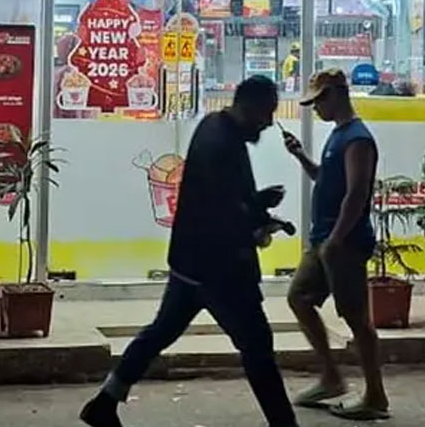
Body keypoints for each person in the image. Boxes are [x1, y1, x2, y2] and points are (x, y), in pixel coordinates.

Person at [81, 75, 298, 427]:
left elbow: (221, 198)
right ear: (249, 106)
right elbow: (222, 209)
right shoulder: (222, 142)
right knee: (258, 347)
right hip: (221, 271)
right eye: (267, 113)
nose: (269, 122)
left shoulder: (214, 128)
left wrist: (258, 205)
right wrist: (257, 215)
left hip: (189, 264)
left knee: (159, 333)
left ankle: (106, 401)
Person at [284, 69, 388, 421]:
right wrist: (300, 156)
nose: (315, 108)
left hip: (343, 243)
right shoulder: (339, 135)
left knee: (357, 318)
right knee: (299, 297)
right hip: (325, 240)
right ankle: (331, 378)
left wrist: (338, 239)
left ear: (336, 95)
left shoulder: (358, 139)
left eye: (318, 101)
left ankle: (375, 395)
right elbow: (326, 179)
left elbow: (357, 193)